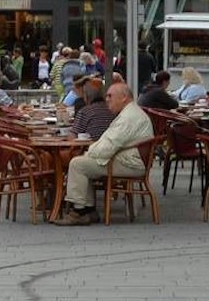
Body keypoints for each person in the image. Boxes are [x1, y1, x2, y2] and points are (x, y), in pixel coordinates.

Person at [54, 80, 154, 225]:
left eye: (110, 96)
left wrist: (90, 152)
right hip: (129, 160)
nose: (107, 99)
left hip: (129, 163)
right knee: (83, 163)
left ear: (124, 97)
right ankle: (88, 210)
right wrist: (91, 153)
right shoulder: (130, 113)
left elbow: (109, 145)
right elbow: (108, 142)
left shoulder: (128, 117)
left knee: (78, 164)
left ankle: (79, 212)